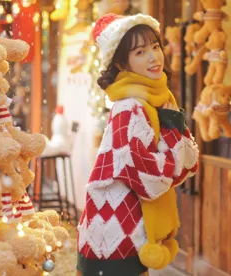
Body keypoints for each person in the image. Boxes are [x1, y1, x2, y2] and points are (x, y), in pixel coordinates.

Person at [76, 14, 199, 276]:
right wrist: (174, 132)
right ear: (122, 63)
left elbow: (188, 165)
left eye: (155, 47)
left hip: (128, 228)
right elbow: (149, 178)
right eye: (141, 52)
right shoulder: (129, 107)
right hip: (115, 230)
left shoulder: (156, 100)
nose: (154, 58)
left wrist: (172, 128)